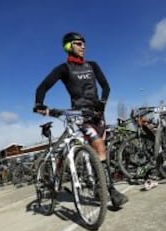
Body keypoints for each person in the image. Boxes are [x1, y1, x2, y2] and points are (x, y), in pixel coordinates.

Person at [33, 32, 128, 208]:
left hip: (98, 114)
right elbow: (43, 86)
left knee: (101, 151)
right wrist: (39, 103)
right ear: (69, 47)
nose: (83, 46)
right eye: (78, 43)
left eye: (84, 43)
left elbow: (106, 86)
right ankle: (110, 189)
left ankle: (99, 185)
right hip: (80, 115)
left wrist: (102, 104)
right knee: (98, 145)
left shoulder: (93, 65)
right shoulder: (63, 69)